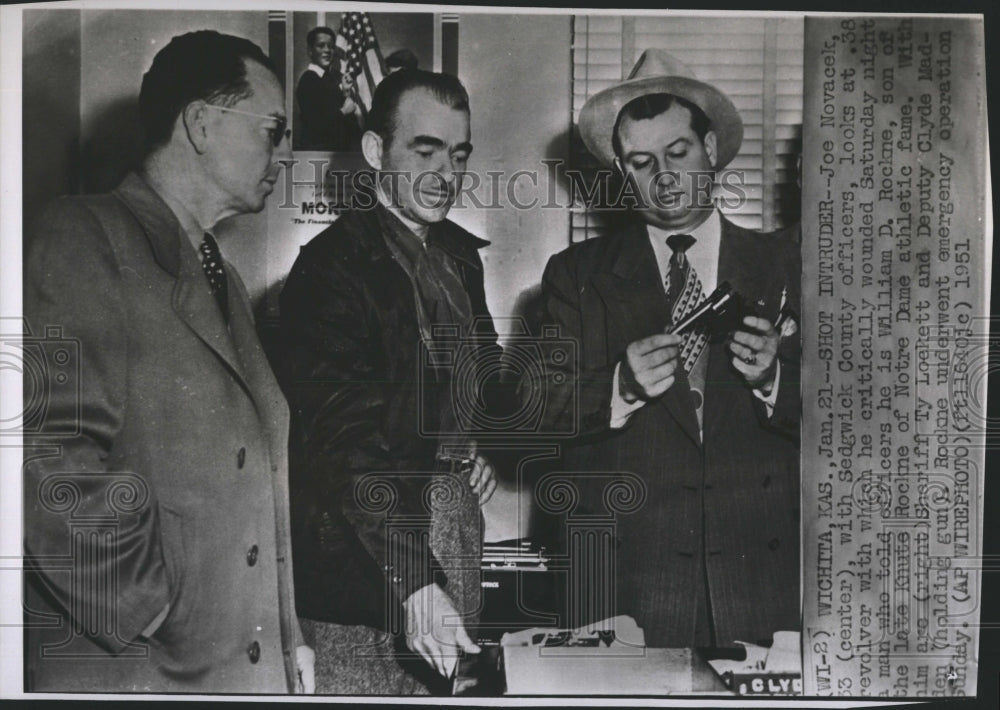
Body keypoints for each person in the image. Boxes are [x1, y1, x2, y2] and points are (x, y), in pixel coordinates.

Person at [22, 30, 313, 693]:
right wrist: (155, 605)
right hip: (141, 668)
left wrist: (287, 632)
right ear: (202, 124)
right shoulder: (84, 233)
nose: (285, 155)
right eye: (273, 131)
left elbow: (262, 468)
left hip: (230, 668)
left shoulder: (222, 277)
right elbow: (42, 452)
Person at [535, 48, 800, 649]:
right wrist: (618, 389)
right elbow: (531, 405)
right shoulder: (574, 274)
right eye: (642, 162)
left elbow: (860, 417)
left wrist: (775, 383)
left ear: (711, 148)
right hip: (627, 595)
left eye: (678, 153)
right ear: (624, 175)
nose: (666, 177)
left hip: (764, 588)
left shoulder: (790, 265)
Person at [279, 69, 502, 694]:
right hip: (365, 560)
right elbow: (345, 438)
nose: (444, 174)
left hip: (452, 532)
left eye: (457, 155)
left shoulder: (461, 258)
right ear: (377, 152)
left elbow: (468, 389)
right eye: (424, 150)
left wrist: (465, 448)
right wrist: (416, 581)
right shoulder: (328, 269)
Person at [295, 26, 362, 151]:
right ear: (310, 51)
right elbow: (315, 125)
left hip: (338, 153)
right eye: (321, 46)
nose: (327, 50)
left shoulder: (332, 79)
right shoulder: (308, 80)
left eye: (331, 46)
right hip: (318, 153)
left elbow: (346, 125)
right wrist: (343, 111)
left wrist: (346, 92)